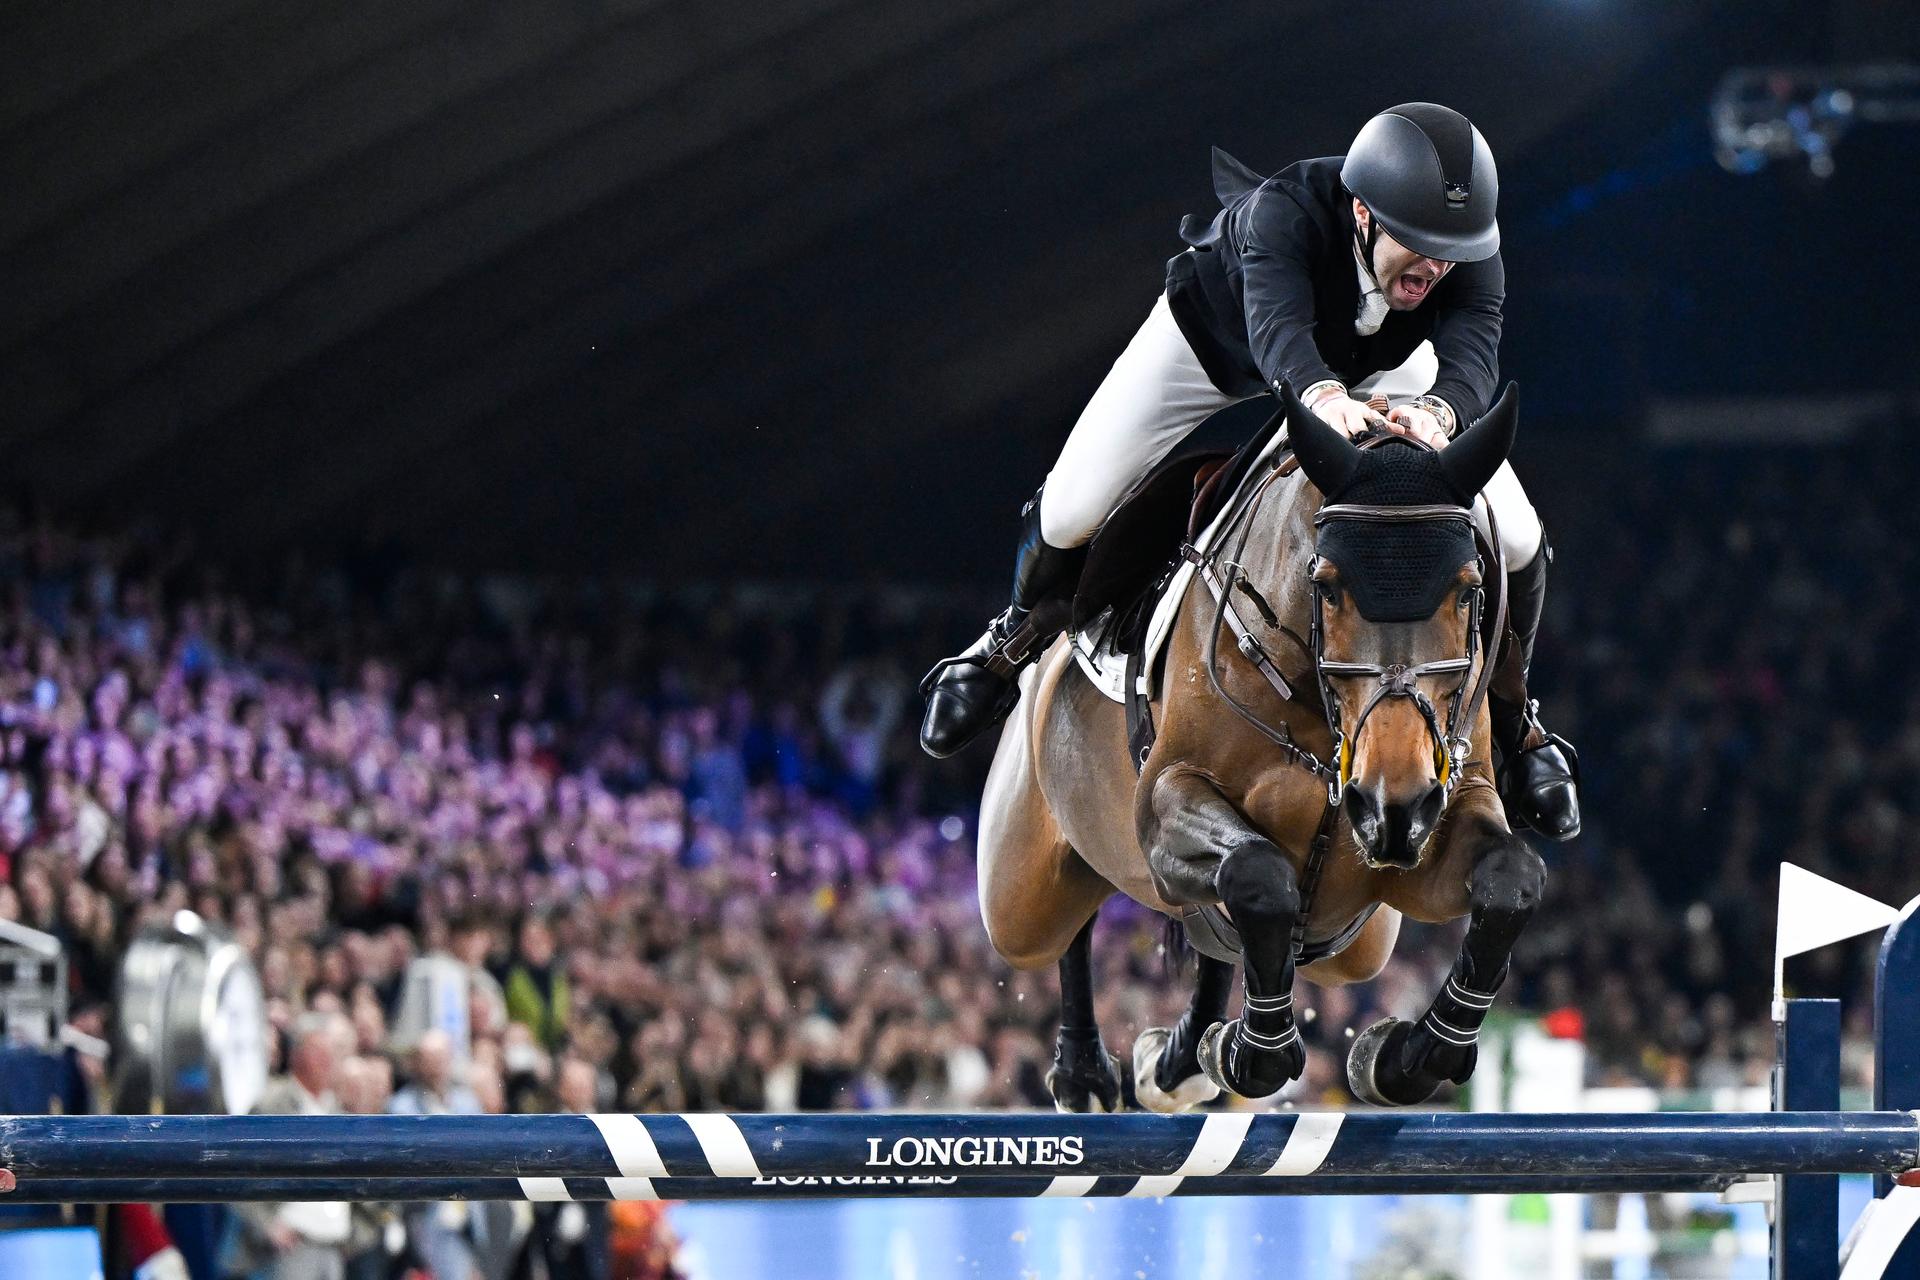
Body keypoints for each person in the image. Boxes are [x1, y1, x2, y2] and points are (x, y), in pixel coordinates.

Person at [917, 103, 1579, 840]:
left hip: (1383, 368)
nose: (1438, 266)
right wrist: (1324, 396)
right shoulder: (1281, 217)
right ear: (1361, 213)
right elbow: (1278, 332)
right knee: (1072, 506)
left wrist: (1441, 414)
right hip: (1216, 341)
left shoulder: (1465, 250)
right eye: (1418, 245)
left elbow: (1474, 353)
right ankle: (1006, 645)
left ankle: (1519, 729)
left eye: (1452, 249)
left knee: (1518, 535)